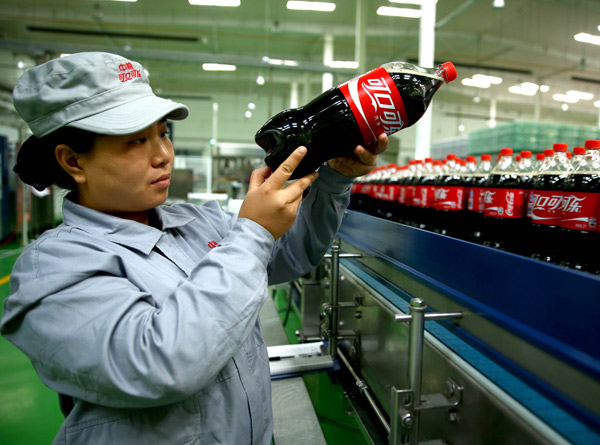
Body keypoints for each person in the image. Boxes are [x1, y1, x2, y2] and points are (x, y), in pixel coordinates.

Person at [0, 52, 387, 444]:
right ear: (73, 162)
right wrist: (252, 233)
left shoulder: (199, 222)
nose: (163, 155)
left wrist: (334, 179)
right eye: (137, 140)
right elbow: (157, 364)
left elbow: (291, 254)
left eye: (163, 133)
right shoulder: (51, 269)